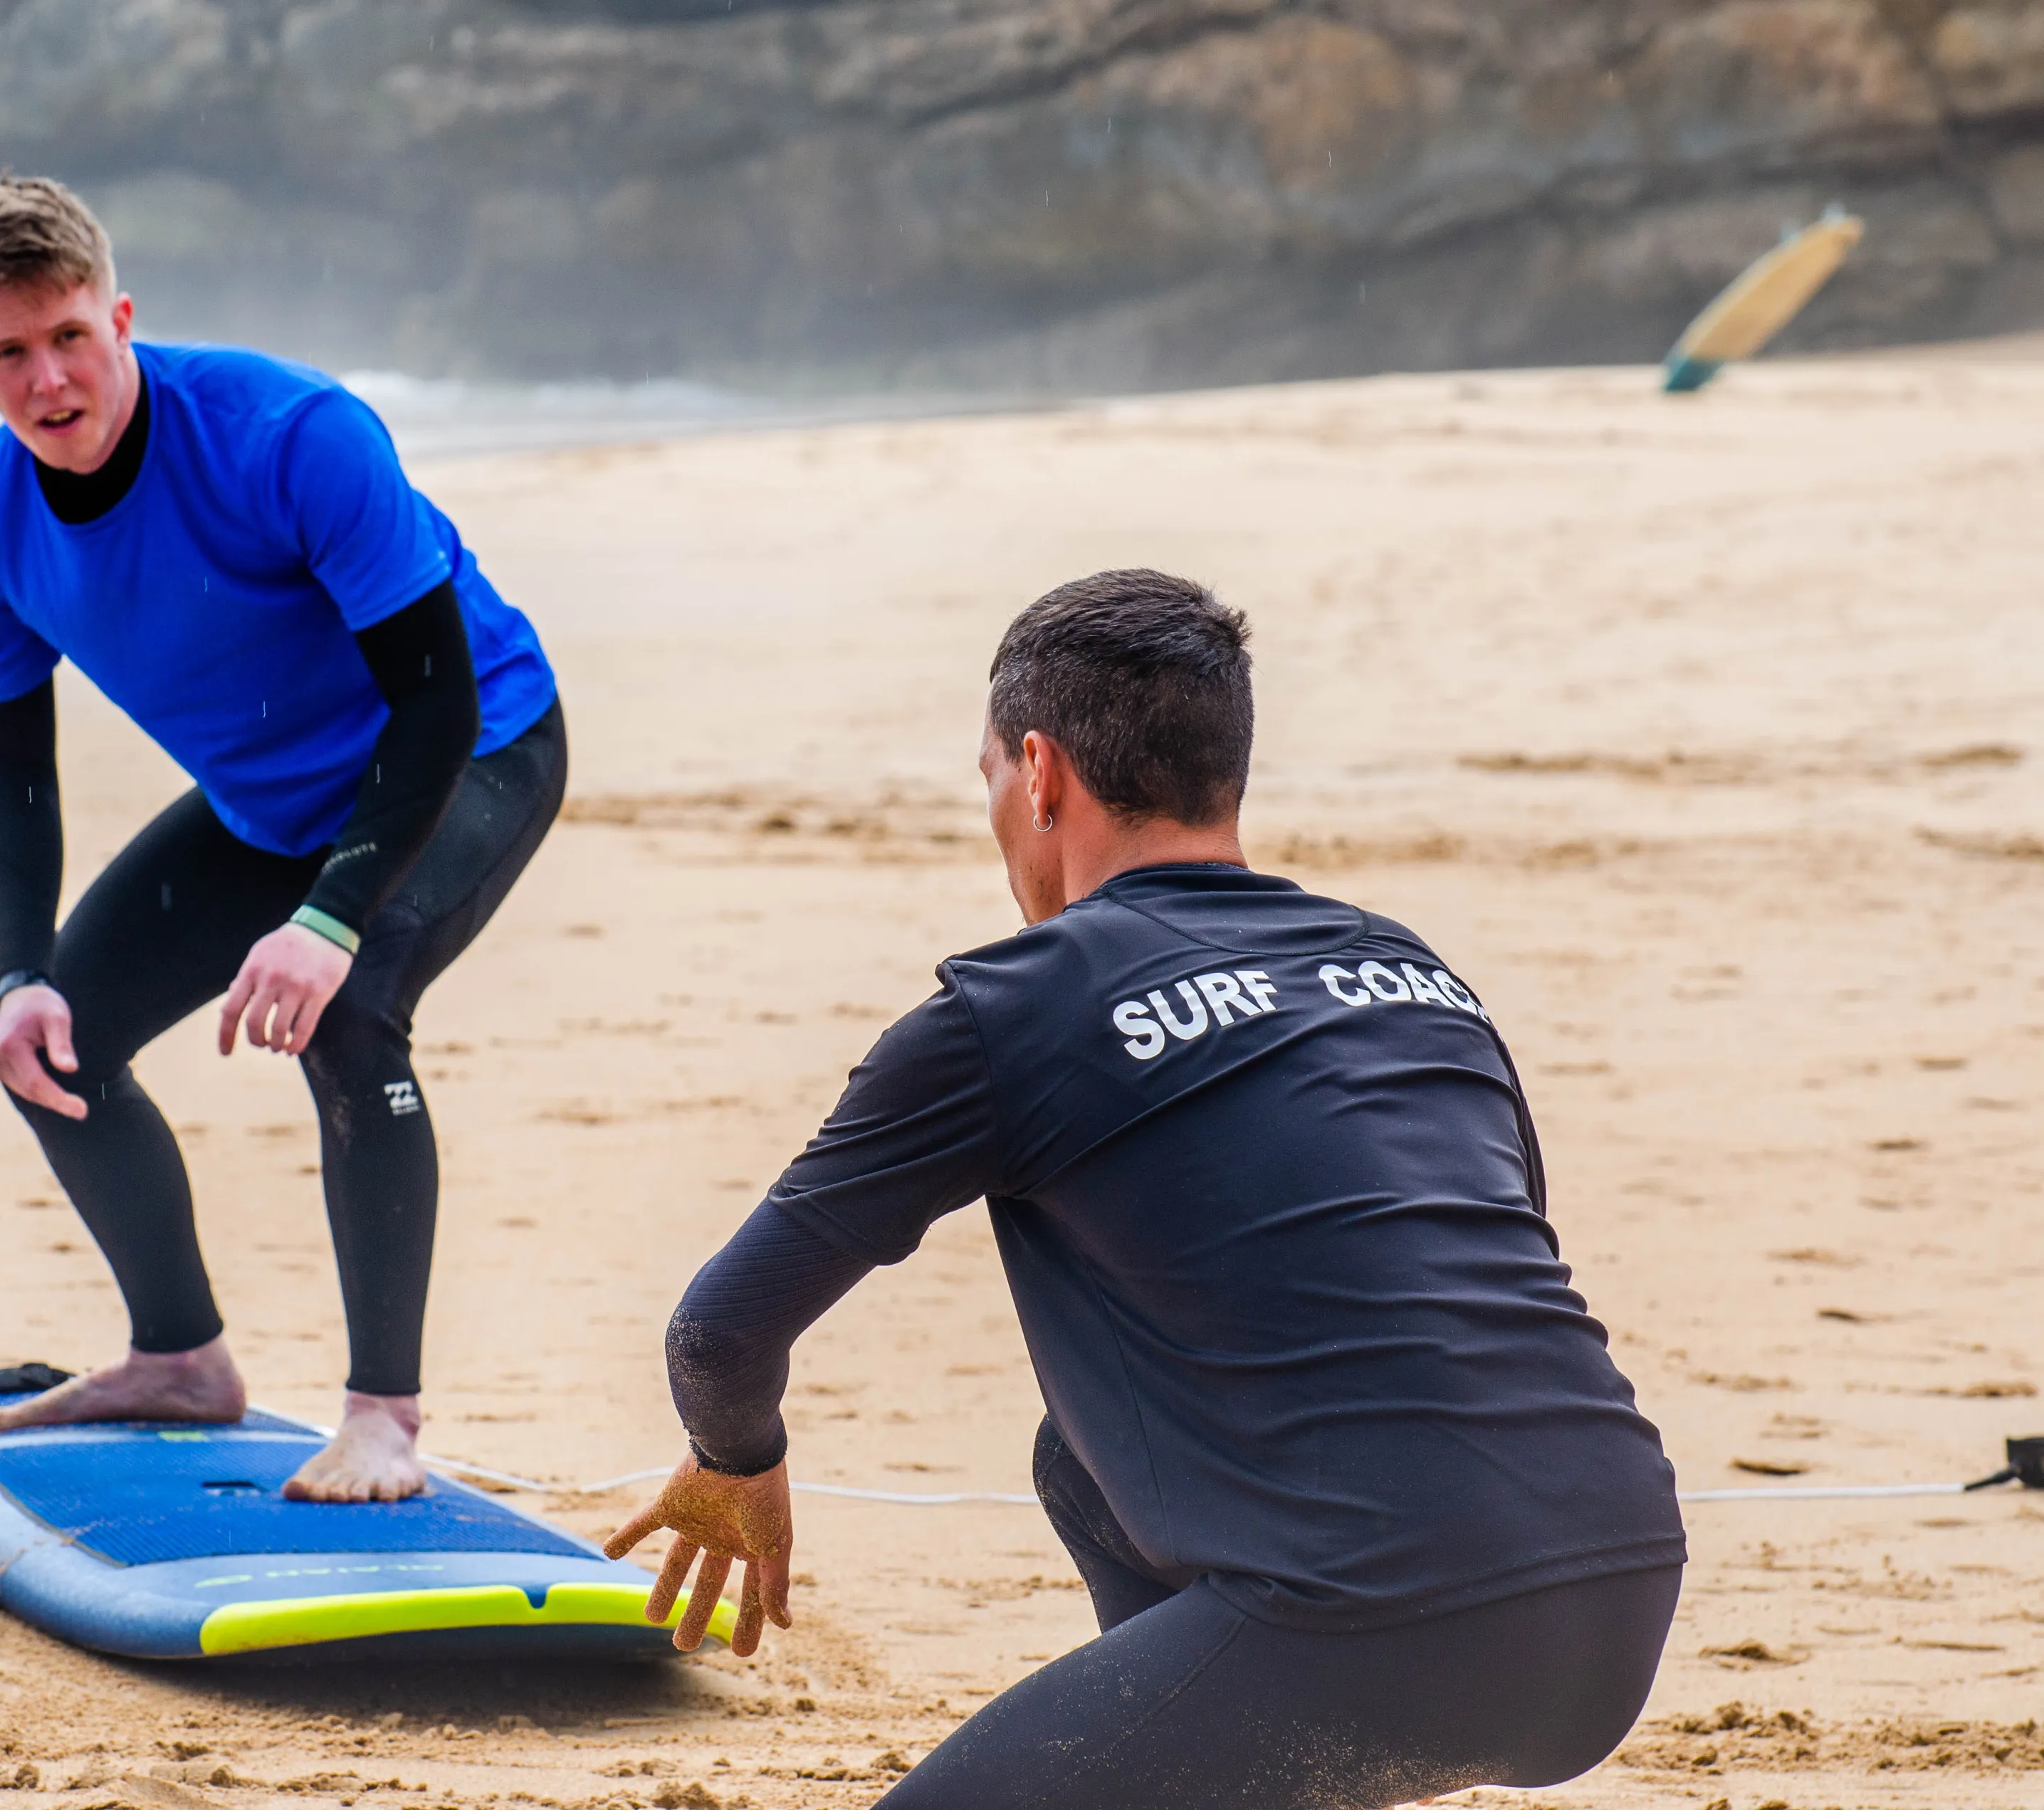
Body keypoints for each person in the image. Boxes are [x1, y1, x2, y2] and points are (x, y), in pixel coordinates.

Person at [605, 571, 1686, 1809]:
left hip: (1385, 1620)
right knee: (1081, 1458)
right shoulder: (1406, 968)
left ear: (1041, 771)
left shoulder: (1014, 1005)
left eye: (993, 787)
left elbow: (721, 1327)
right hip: (1617, 1601)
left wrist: (733, 1458)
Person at [0, 177, 563, 1503]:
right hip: (268, 801)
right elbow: (5, 760)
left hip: (470, 750)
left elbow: (434, 697)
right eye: (10, 354)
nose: (49, 380)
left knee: (349, 1008)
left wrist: (330, 919)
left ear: (123, 317)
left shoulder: (290, 434)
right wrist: (15, 970)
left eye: (71, 337)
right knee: (56, 1048)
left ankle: (383, 1416)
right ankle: (180, 1355)